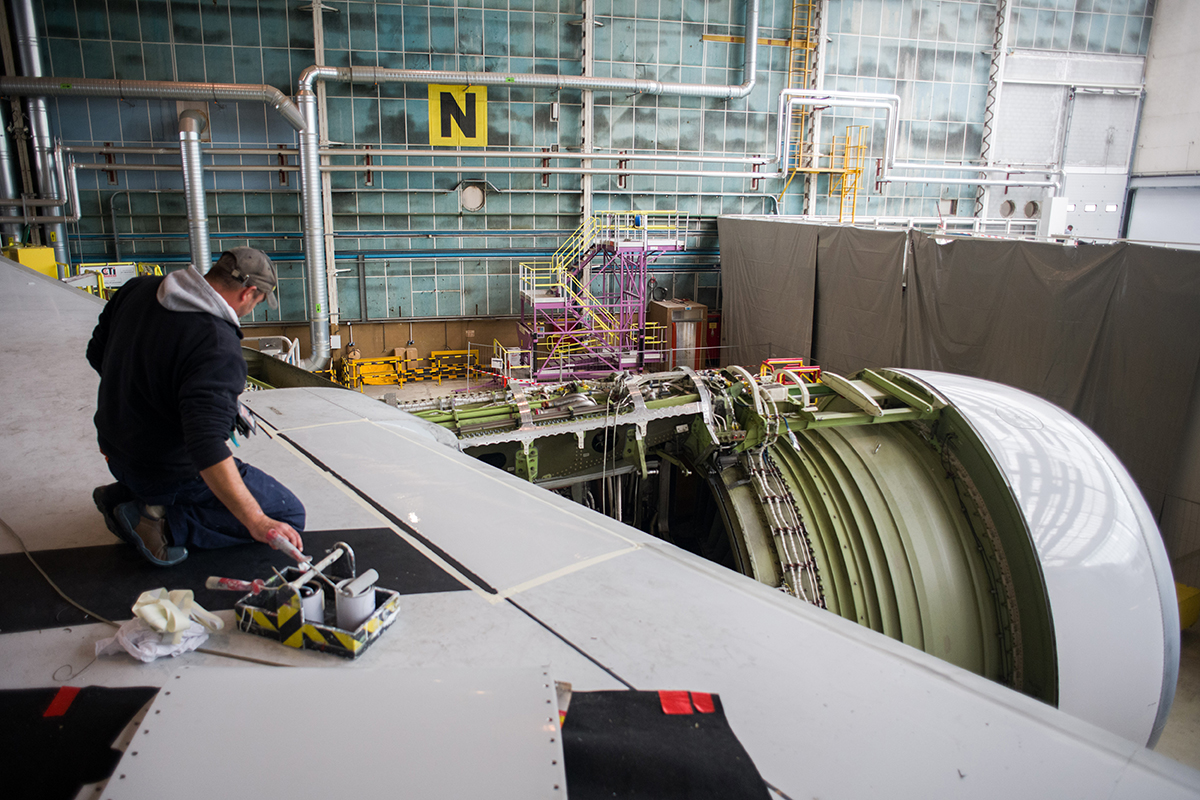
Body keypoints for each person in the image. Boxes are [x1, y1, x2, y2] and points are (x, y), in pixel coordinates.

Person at [86, 247, 306, 566]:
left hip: (115, 448)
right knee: (286, 513)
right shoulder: (217, 345)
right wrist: (258, 521)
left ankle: (124, 495)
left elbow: (98, 354)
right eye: (258, 303)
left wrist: (148, 401)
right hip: (161, 470)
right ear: (249, 293)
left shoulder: (139, 289)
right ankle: (160, 524)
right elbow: (206, 449)